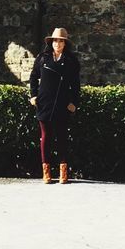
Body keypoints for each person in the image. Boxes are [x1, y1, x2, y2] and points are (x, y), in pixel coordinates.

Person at [29, 26, 81, 184]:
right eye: (55, 41)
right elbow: (33, 77)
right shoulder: (43, 58)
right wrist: (33, 95)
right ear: (51, 42)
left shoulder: (71, 61)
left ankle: (63, 172)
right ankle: (46, 173)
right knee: (45, 137)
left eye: (61, 41)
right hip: (44, 103)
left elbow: (76, 84)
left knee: (62, 138)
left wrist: (74, 102)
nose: (57, 44)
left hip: (62, 104)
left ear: (65, 44)